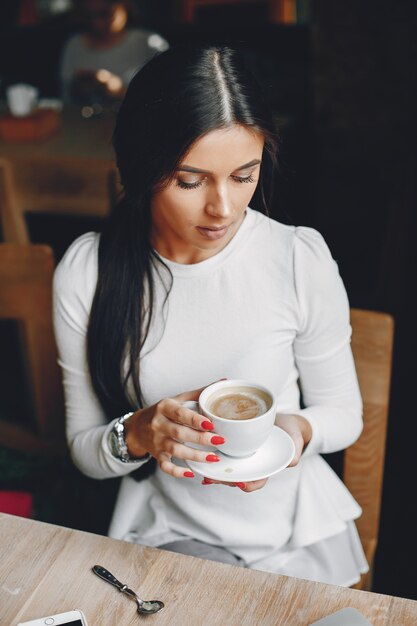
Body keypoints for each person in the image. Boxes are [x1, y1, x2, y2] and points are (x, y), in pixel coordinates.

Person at [53, 45, 369, 585]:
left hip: (295, 537)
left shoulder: (296, 259)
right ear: (138, 167)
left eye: (244, 176)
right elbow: (86, 448)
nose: (223, 208)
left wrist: (293, 432)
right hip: (167, 537)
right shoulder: (89, 270)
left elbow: (344, 413)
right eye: (190, 181)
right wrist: (138, 433)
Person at [59, 0, 168, 105]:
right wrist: (79, 90)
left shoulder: (149, 44)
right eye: (89, 16)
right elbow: (65, 98)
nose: (97, 23)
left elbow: (168, 94)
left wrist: (119, 91)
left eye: (105, 13)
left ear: (124, 4)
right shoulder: (75, 45)